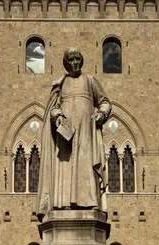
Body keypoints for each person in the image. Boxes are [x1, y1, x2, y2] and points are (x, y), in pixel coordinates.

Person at [37, 47, 112, 219]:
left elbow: (105, 102)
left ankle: (91, 203)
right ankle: (62, 204)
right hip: (66, 137)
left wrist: (102, 113)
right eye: (71, 60)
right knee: (65, 167)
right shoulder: (60, 84)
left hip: (86, 132)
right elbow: (53, 107)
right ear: (66, 63)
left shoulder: (90, 81)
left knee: (86, 165)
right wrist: (57, 117)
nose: (75, 62)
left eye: (78, 59)